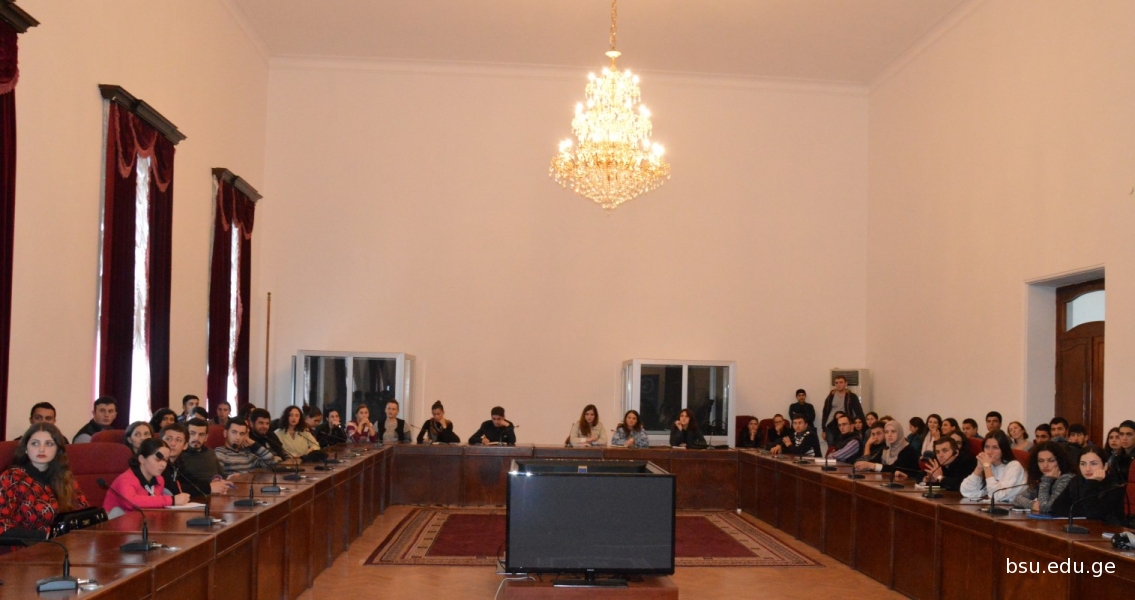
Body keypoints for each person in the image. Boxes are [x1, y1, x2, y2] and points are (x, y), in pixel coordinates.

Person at [0, 424, 89, 536]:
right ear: (26, 449)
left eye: (49, 444)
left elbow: (84, 513)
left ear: (57, 449)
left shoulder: (65, 477)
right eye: (35, 443)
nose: (41, 449)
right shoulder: (12, 478)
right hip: (27, 544)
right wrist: (45, 536)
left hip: (65, 542)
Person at [103, 438, 190, 518]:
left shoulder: (159, 479)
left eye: (166, 460)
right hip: (116, 523)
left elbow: (153, 505)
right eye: (158, 459)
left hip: (142, 522)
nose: (163, 464)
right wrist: (171, 500)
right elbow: (130, 503)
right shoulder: (126, 479)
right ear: (142, 459)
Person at [1051, 445, 1126, 525]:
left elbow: (1093, 513)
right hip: (1081, 526)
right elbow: (1056, 508)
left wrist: (1093, 483)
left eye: (1093, 464)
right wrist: (1083, 511)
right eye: (1083, 464)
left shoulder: (1114, 487)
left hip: (1107, 529)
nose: (1087, 469)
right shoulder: (1076, 481)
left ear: (1105, 466)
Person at [960, 431, 1026, 502]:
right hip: (995, 506)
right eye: (987, 447)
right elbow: (966, 491)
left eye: (995, 447)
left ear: (1003, 449)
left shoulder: (1014, 466)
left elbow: (997, 496)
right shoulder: (990, 465)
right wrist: (979, 468)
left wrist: (987, 467)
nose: (990, 452)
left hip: (1013, 506)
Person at [1011, 442, 1073, 515]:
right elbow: (1017, 499)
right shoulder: (1043, 478)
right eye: (1041, 461)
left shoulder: (1066, 478)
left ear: (1060, 461)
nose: (1045, 465)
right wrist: (1032, 505)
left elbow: (1046, 508)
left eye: (1051, 460)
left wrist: (1046, 481)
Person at [181, 418, 234, 495]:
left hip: (217, 494)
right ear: (185, 435)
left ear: (206, 437)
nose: (196, 438)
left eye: (201, 434)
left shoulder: (210, 452)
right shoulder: (179, 456)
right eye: (192, 433)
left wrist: (230, 477)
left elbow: (222, 475)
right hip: (195, 495)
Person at [856, 420, 921, 479]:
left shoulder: (908, 450)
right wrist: (863, 465)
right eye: (886, 432)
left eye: (893, 431)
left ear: (899, 432)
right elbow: (872, 462)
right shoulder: (886, 449)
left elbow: (894, 468)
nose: (889, 435)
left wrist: (872, 466)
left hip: (909, 485)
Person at [820, 375, 864, 445]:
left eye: (841, 382)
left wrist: (861, 427)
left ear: (846, 383)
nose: (838, 384)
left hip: (845, 424)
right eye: (836, 383)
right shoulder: (831, 396)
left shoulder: (851, 396)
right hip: (830, 425)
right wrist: (823, 429)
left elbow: (859, 411)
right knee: (831, 444)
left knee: (845, 443)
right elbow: (825, 412)